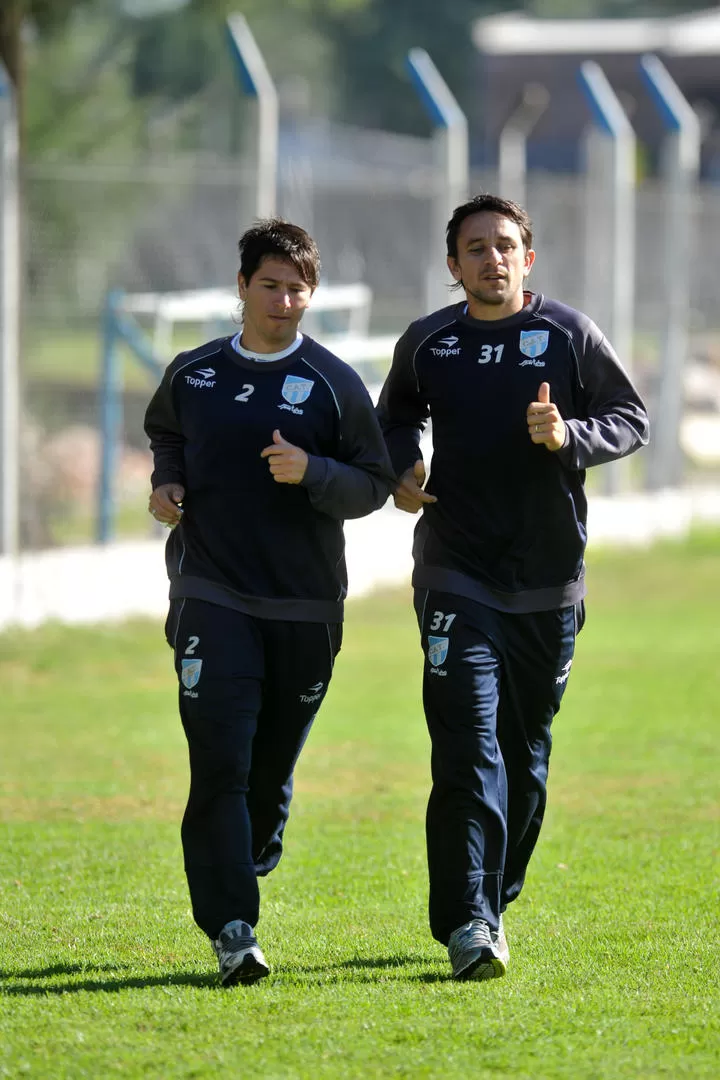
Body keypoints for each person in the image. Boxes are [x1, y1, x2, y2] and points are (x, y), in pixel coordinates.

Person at [376, 193, 649, 982]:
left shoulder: (568, 334)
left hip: (548, 582)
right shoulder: (428, 342)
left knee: (525, 756)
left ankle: (494, 895)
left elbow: (629, 416)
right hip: (456, 574)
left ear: (527, 259)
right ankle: (469, 920)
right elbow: (393, 418)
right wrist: (405, 463)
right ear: (452, 264)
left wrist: (570, 437)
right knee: (466, 746)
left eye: (505, 245)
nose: (491, 258)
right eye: (475, 247)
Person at [144, 219, 394, 986]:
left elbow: (373, 484)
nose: (284, 301)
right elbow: (167, 431)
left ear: (312, 294)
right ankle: (233, 929)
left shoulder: (332, 383)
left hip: (304, 607)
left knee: (266, 768)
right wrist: (167, 480)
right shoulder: (195, 372)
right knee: (218, 760)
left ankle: (253, 839)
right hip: (209, 592)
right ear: (242, 287)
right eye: (270, 285)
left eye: (297, 289)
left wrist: (313, 470)